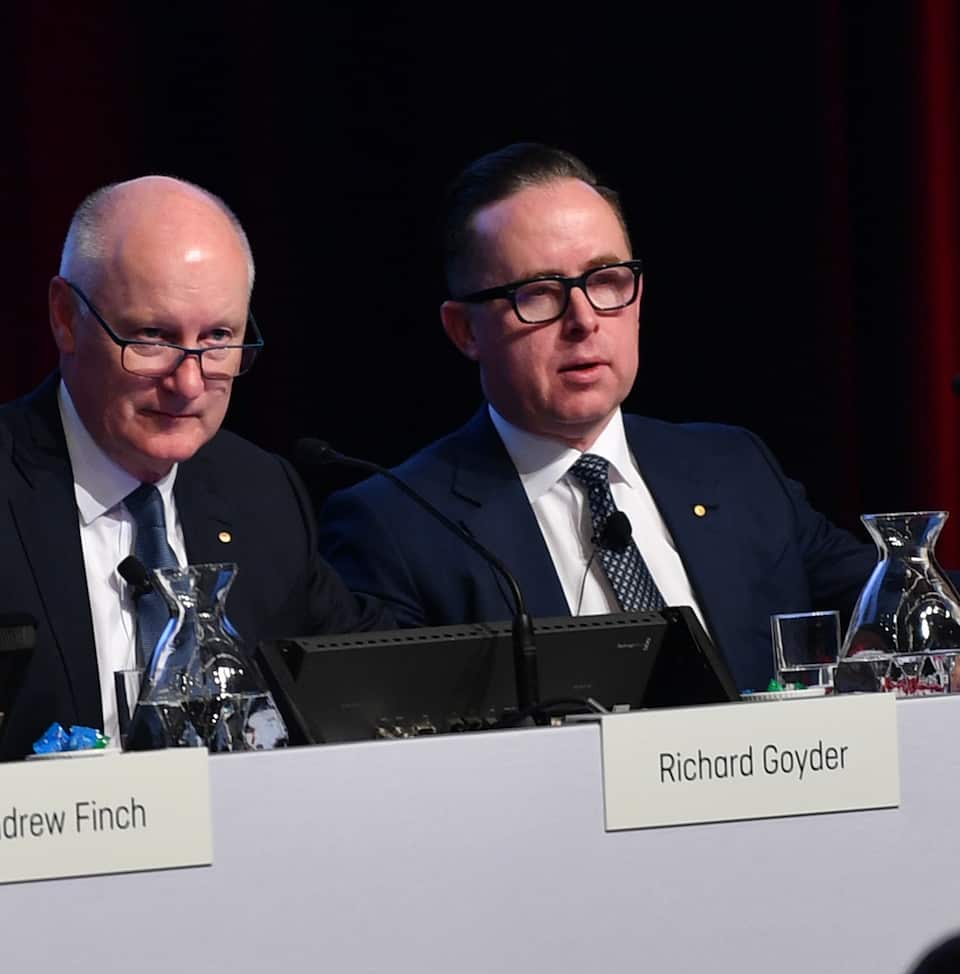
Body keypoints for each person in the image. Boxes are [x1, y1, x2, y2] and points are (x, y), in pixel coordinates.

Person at [0, 176, 389, 752]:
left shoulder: (263, 493)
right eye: (152, 336)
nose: (189, 383)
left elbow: (358, 695)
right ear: (65, 317)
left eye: (218, 338)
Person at [319, 142, 875, 693]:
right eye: (537, 294)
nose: (583, 320)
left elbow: (887, 598)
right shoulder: (396, 527)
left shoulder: (734, 468)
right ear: (465, 331)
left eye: (606, 281)